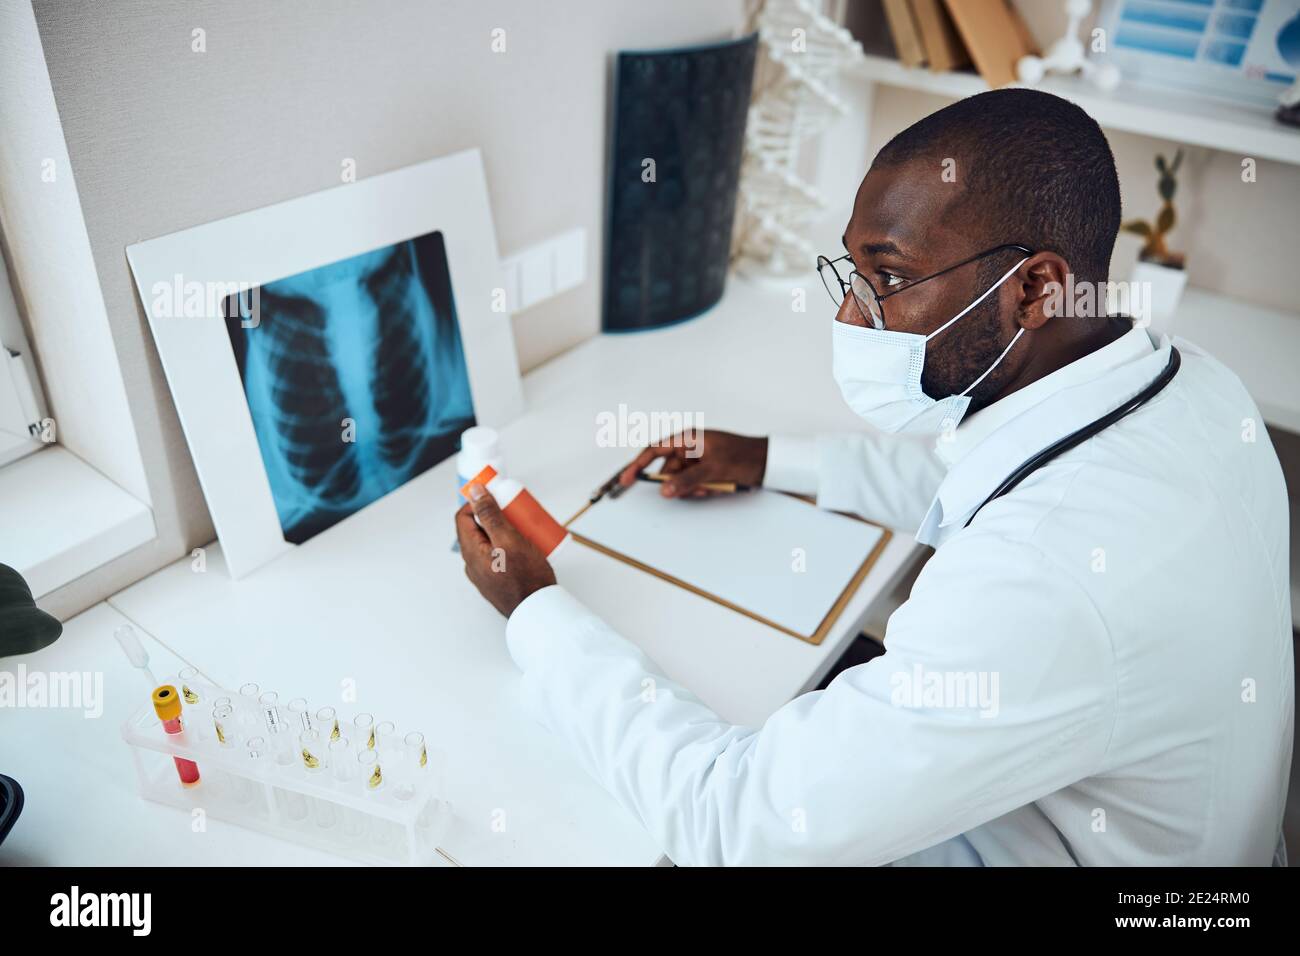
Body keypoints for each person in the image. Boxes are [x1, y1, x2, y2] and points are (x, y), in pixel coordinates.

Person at [455, 89, 1293, 865]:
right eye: (853, 273)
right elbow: (993, 480)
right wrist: (770, 460)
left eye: (888, 278)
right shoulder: (1192, 387)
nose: (850, 315)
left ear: (1034, 289)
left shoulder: (1048, 578)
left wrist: (537, 612)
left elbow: (738, 821)